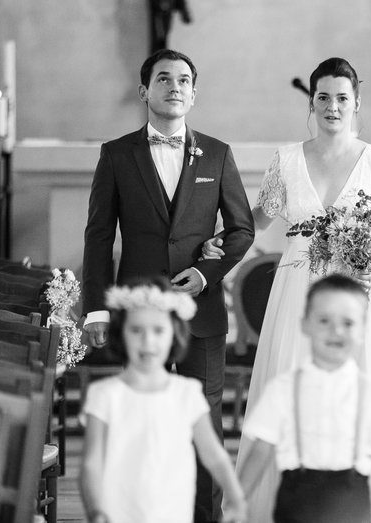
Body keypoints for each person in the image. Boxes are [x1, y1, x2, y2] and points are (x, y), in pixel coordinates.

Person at [204, 57, 371, 523]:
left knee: (361, 391)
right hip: (299, 288)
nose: (332, 107)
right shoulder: (287, 160)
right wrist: (220, 238)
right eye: (323, 98)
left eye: (341, 98)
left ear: (357, 102)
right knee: (291, 387)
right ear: (311, 102)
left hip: (359, 290)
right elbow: (258, 218)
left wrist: (365, 253)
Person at [81, 49, 255, 523]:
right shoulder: (116, 155)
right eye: (163, 79)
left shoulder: (217, 154)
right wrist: (96, 310)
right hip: (138, 317)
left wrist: (205, 274)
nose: (174, 87)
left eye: (183, 80)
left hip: (200, 316)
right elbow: (98, 237)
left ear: (194, 94)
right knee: (140, 424)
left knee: (205, 425)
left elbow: (242, 230)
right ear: (145, 92)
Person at [237, 274, 371, 523]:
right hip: (296, 507)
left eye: (348, 323)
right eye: (324, 320)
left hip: (352, 507)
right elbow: (260, 451)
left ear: (363, 330)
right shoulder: (283, 389)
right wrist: (236, 501)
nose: (335, 331)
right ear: (305, 324)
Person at [79, 278, 247, 523]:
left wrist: (237, 500)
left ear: (174, 336)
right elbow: (92, 462)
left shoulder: (187, 394)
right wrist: (96, 510)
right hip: (120, 509)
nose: (148, 341)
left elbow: (214, 455)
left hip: (173, 508)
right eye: (136, 330)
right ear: (120, 334)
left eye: (158, 331)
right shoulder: (104, 395)